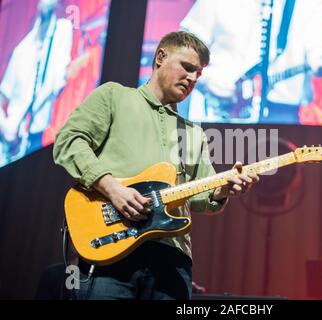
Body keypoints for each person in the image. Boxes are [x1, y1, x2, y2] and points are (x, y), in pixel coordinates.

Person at [53, 31, 259, 300]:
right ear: (161, 56)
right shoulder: (114, 96)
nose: (193, 78)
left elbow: (199, 197)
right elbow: (68, 142)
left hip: (172, 260)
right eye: (187, 67)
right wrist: (112, 188)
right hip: (109, 250)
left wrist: (222, 191)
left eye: (198, 74)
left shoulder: (193, 133)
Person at [180, 0, 322, 124]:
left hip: (280, 112)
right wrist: (206, 80)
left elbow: (320, 53)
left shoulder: (314, 3)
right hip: (217, 108)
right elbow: (183, 49)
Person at [0, 0, 72, 165]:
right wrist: (5, 128)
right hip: (10, 139)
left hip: (35, 137)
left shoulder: (62, 31)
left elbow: (59, 82)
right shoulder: (22, 51)